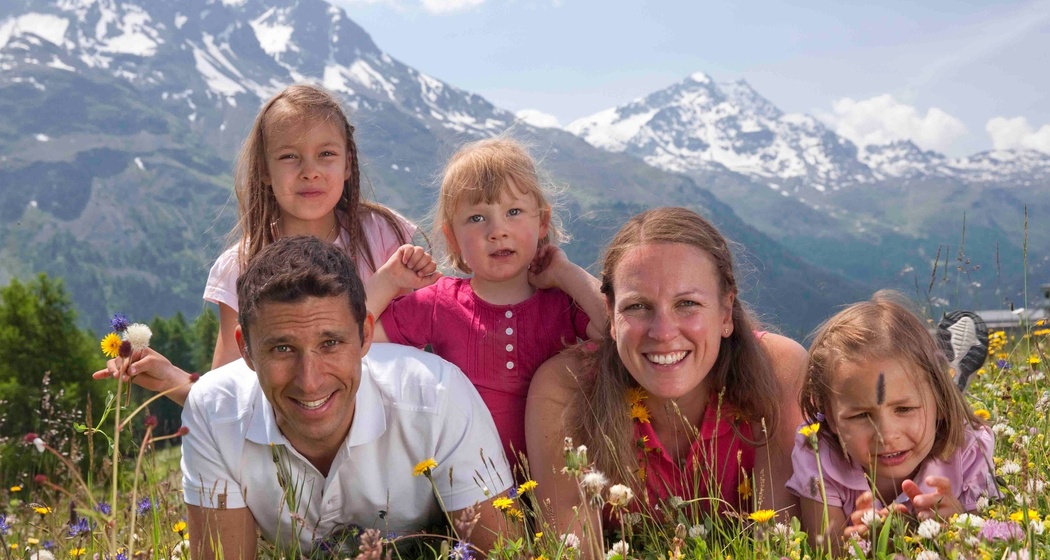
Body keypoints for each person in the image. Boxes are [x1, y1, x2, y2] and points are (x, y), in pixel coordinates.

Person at [94, 84, 434, 404]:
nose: (310, 171)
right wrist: (170, 379)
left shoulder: (385, 235)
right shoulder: (240, 266)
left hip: (393, 432)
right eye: (289, 157)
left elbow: (429, 337)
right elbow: (230, 393)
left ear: (348, 163)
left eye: (326, 153)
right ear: (264, 171)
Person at [181, 235, 511, 559]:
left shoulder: (437, 396)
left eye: (330, 344)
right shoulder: (213, 412)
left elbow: (502, 553)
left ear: (365, 335)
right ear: (246, 350)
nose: (309, 381)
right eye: (282, 349)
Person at [524, 207, 806, 556]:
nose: (663, 332)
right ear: (610, 315)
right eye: (638, 307)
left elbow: (775, 545)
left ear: (725, 311)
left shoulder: (779, 370)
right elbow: (573, 550)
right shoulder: (566, 388)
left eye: (687, 303)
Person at [365, 138, 605, 468]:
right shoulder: (440, 303)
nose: (497, 231)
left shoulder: (562, 301)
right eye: (477, 218)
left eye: (514, 212)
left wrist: (566, 273)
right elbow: (353, 336)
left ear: (543, 222)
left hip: (555, 478)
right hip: (470, 485)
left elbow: (615, 328)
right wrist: (388, 281)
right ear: (452, 237)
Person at [787, 291, 999, 552]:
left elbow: (990, 545)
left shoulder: (967, 451)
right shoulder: (820, 457)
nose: (886, 434)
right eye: (861, 415)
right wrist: (861, 546)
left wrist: (957, 525)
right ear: (829, 418)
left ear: (941, 402)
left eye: (904, 408)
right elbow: (824, 550)